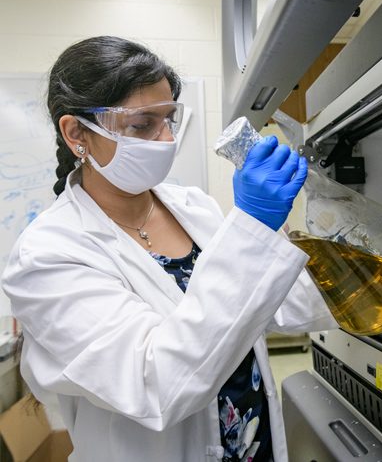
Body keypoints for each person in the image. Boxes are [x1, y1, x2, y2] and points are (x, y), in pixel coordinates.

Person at [2, 36, 337, 462]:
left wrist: (328, 241)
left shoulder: (192, 207)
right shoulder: (48, 255)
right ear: (76, 133)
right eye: (142, 124)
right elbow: (157, 385)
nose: (164, 140)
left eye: (169, 120)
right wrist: (250, 230)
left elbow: (279, 307)